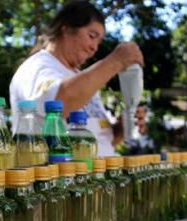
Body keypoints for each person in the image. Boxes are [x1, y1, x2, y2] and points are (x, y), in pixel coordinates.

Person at [9, 0, 144, 157]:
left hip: (98, 175)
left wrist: (120, 129)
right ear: (66, 28)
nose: (95, 47)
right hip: (62, 178)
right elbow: (59, 103)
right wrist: (116, 61)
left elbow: (95, 143)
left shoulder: (81, 79)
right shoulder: (37, 67)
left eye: (99, 42)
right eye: (92, 36)